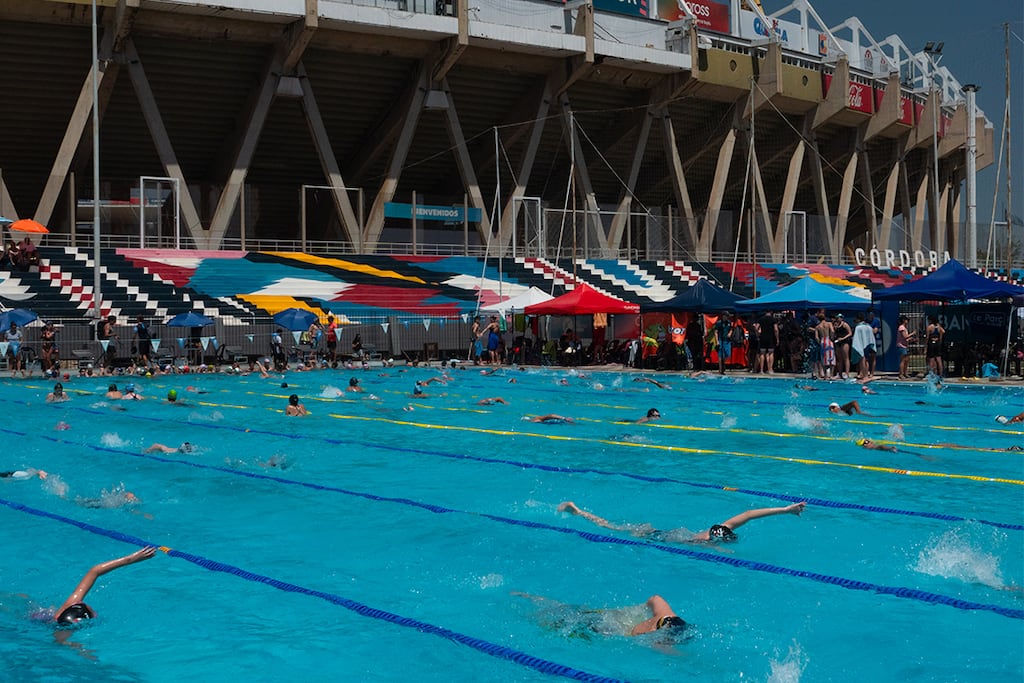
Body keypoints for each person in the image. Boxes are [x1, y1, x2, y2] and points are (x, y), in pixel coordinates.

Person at [557, 499, 806, 543]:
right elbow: (749, 515)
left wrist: (786, 510)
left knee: (613, 526)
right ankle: (578, 512)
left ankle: (578, 511)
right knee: (610, 527)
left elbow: (749, 515)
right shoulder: (704, 541)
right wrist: (785, 510)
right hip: (654, 536)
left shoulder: (716, 531)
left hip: (660, 532)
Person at [50, 546, 156, 627]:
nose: (82, 602)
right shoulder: (62, 632)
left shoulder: (69, 606)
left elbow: (94, 571)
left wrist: (130, 559)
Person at [850, 313, 875, 381]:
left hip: (860, 344)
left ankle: (864, 376)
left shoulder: (858, 327)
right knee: (866, 360)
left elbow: (856, 338)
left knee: (862, 360)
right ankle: (866, 375)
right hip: (868, 344)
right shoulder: (868, 326)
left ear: (858, 319)